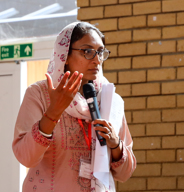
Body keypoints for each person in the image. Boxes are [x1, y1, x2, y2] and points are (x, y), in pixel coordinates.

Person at [12, 22, 136, 192]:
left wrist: (115, 144)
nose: (96, 59)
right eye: (87, 51)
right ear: (65, 56)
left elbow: (125, 174)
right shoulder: (40, 94)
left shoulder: (111, 101)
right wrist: (53, 112)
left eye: (100, 52)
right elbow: (25, 157)